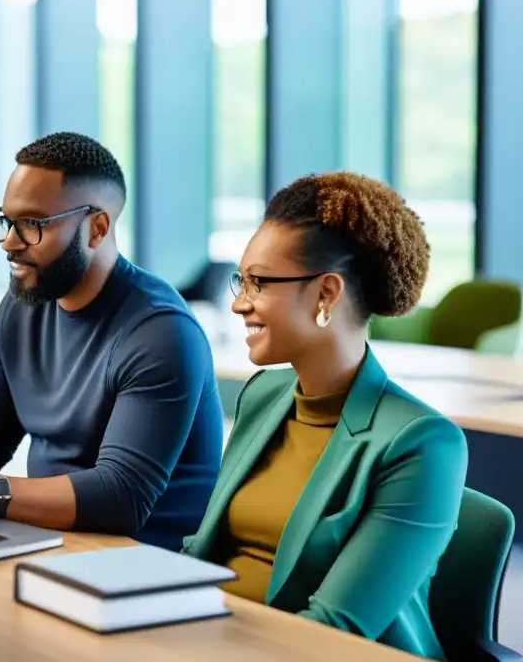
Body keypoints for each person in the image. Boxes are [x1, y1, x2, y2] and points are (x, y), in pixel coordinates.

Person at [183, 172, 467, 659]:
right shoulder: (265, 396)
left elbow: (337, 631)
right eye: (241, 280)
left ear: (326, 294)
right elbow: (201, 553)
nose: (238, 303)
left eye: (259, 282)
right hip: (214, 637)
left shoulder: (422, 444)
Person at [0, 132, 223, 550]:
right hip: (51, 538)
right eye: (7, 221)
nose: (10, 242)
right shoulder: (24, 304)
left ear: (97, 228)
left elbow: (120, 495)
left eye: (33, 224)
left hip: (143, 559)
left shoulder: (161, 332)